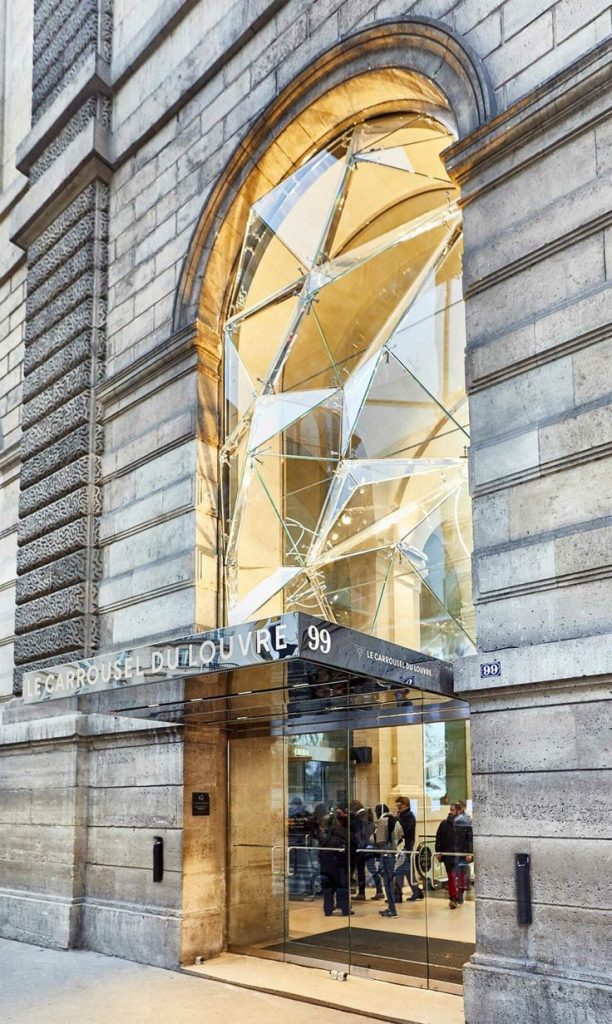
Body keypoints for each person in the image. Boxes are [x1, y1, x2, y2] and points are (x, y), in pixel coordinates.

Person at [318, 808, 356, 917]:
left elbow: (321, 848)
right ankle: (345, 909)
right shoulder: (346, 832)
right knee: (342, 886)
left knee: (328, 886)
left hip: (326, 863)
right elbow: (353, 849)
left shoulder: (326, 834)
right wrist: (352, 867)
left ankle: (328, 909)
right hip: (341, 863)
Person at [372, 803, 404, 919]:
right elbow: (401, 836)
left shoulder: (382, 821)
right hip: (395, 854)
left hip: (386, 855)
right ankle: (391, 907)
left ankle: (392, 909)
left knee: (388, 882)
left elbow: (378, 841)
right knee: (390, 881)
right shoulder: (394, 819)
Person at [393, 796, 423, 902]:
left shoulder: (409, 816)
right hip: (403, 847)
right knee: (405, 871)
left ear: (404, 805)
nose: (397, 807)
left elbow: (403, 829)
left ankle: (399, 894)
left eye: (399, 805)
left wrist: (396, 818)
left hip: (406, 847)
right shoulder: (404, 815)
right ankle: (415, 891)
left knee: (401, 870)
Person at [435, 803, 461, 908]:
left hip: (459, 855)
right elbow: (439, 838)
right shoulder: (444, 824)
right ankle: (453, 898)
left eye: (453, 810)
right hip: (449, 855)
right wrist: (438, 851)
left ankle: (458, 896)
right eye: (450, 809)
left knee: (459, 877)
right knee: (451, 876)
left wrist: (468, 853)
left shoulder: (463, 823)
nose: (451, 812)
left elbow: (467, 839)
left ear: (458, 811)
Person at [454, 800, 474, 904]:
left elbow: (469, 836)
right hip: (456, 850)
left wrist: (469, 852)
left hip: (463, 850)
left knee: (463, 870)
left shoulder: (467, 819)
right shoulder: (454, 819)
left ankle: (465, 886)